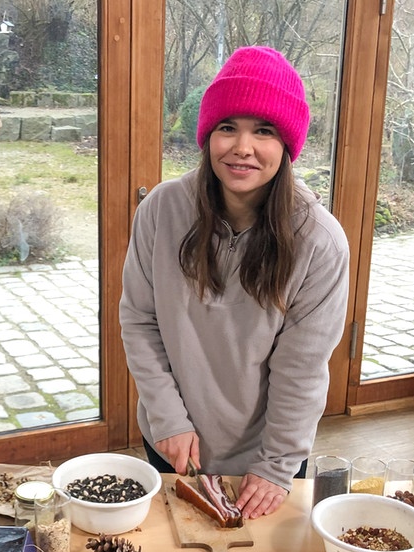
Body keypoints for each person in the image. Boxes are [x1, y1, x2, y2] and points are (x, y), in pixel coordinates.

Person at [119, 46, 349, 521]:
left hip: (265, 458)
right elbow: (140, 321)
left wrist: (277, 464)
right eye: (228, 127)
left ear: (287, 144)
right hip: (172, 434)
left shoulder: (320, 241)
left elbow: (302, 368)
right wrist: (167, 418)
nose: (242, 147)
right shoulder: (161, 210)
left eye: (263, 131)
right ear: (208, 136)